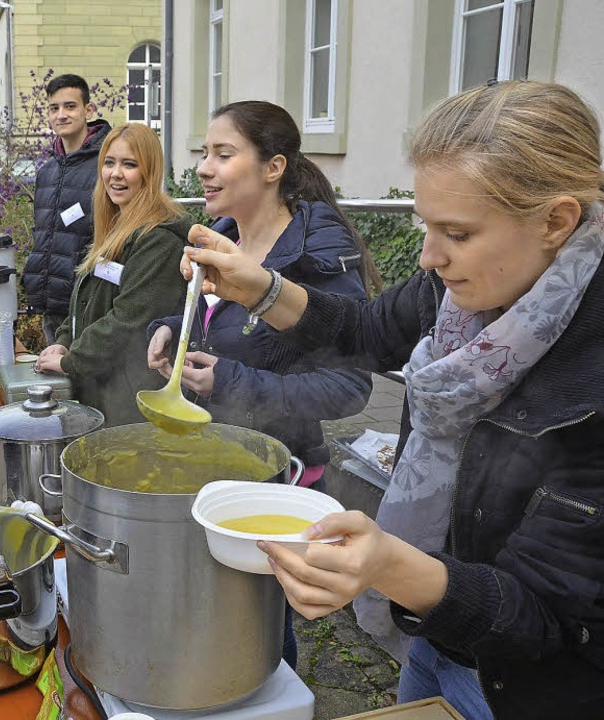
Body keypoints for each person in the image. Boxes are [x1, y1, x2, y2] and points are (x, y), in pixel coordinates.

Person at [184, 80, 604, 720]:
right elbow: (364, 332)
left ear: (557, 220)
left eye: (457, 234)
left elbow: (550, 617)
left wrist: (389, 566)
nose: (429, 259)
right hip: (432, 635)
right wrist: (259, 287)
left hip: (521, 689)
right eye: (425, 226)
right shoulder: (462, 290)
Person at [145, 100, 375, 669]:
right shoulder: (220, 239)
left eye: (223, 154)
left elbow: (350, 388)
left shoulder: (314, 262)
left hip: (277, 477)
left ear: (273, 167)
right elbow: (218, 323)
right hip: (210, 461)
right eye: (204, 152)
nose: (203, 167)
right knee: (209, 615)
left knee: (260, 632)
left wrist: (231, 381)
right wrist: (172, 328)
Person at [35, 123, 192, 425]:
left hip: (130, 403)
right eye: (109, 162)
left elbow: (128, 320)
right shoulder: (117, 225)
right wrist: (64, 340)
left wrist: (71, 361)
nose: (115, 173)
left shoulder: (159, 240)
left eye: (129, 164)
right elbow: (86, 300)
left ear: (149, 172)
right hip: (100, 391)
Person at [23, 73, 113, 343]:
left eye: (70, 106)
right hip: (52, 304)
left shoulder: (107, 165)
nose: (61, 115)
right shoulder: (47, 171)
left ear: (88, 110)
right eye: (54, 108)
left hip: (90, 307)